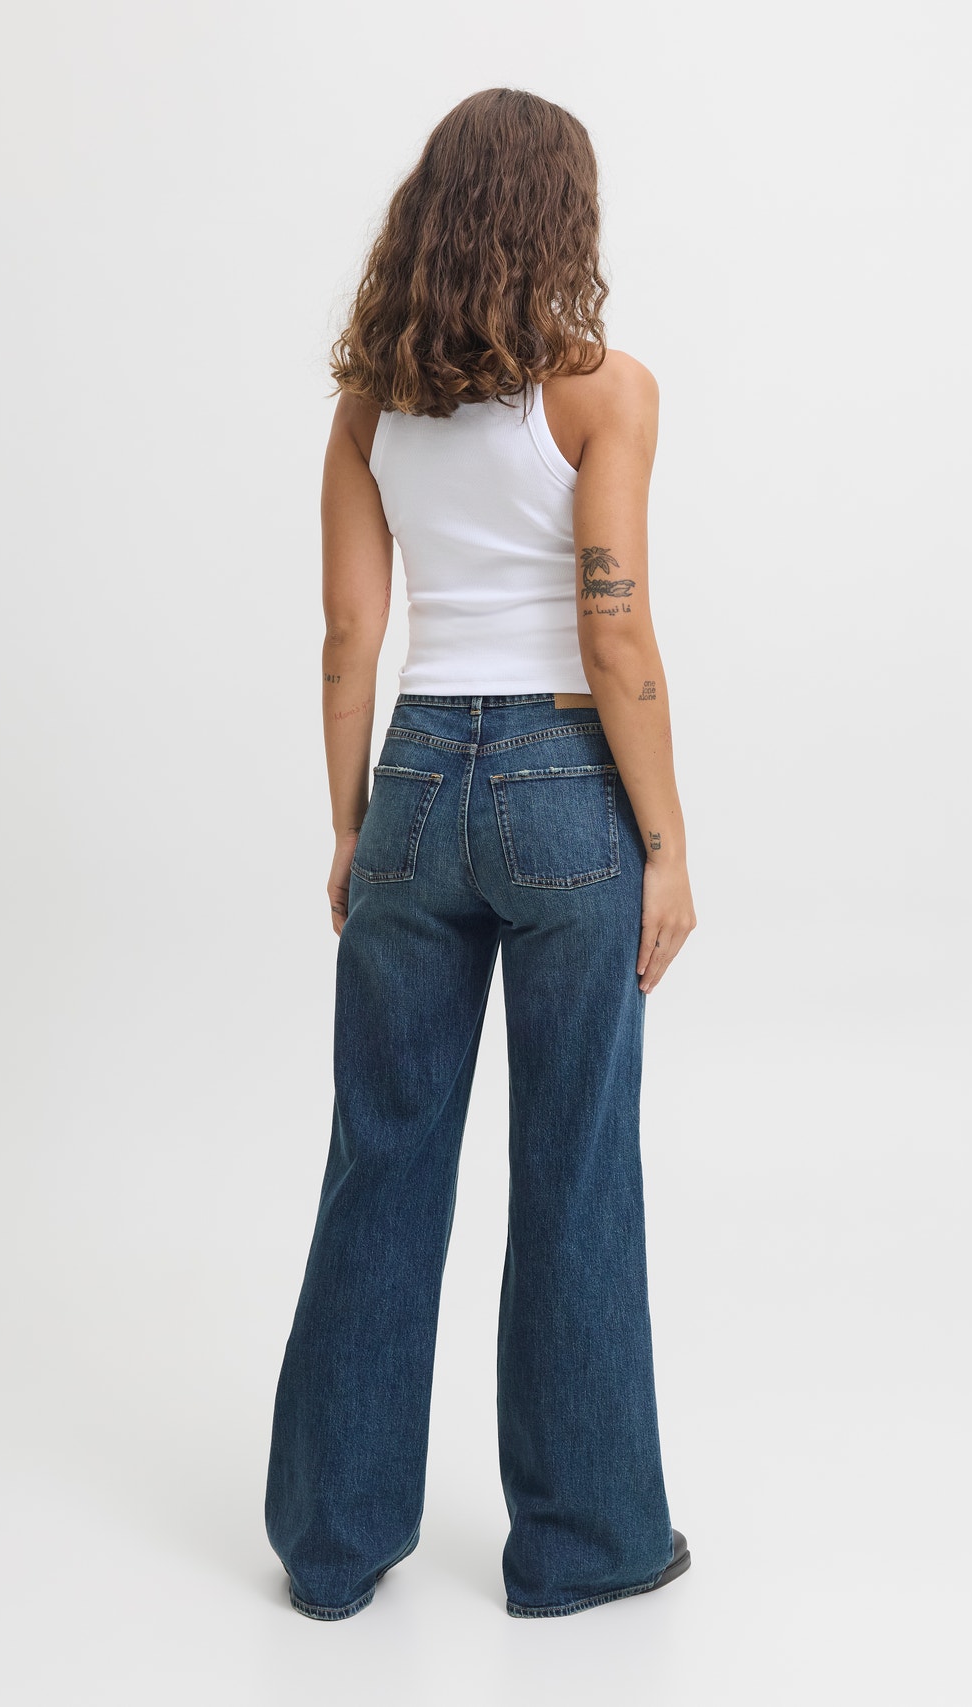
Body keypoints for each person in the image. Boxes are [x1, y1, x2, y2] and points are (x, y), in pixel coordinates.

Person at [265, 86, 698, 1621]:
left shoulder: (367, 408)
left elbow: (348, 636)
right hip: (566, 786)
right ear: (561, 220)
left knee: (381, 1156)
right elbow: (614, 627)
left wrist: (352, 825)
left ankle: (333, 1545)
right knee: (573, 1165)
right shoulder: (605, 393)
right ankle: (583, 1544)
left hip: (414, 782)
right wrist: (666, 844)